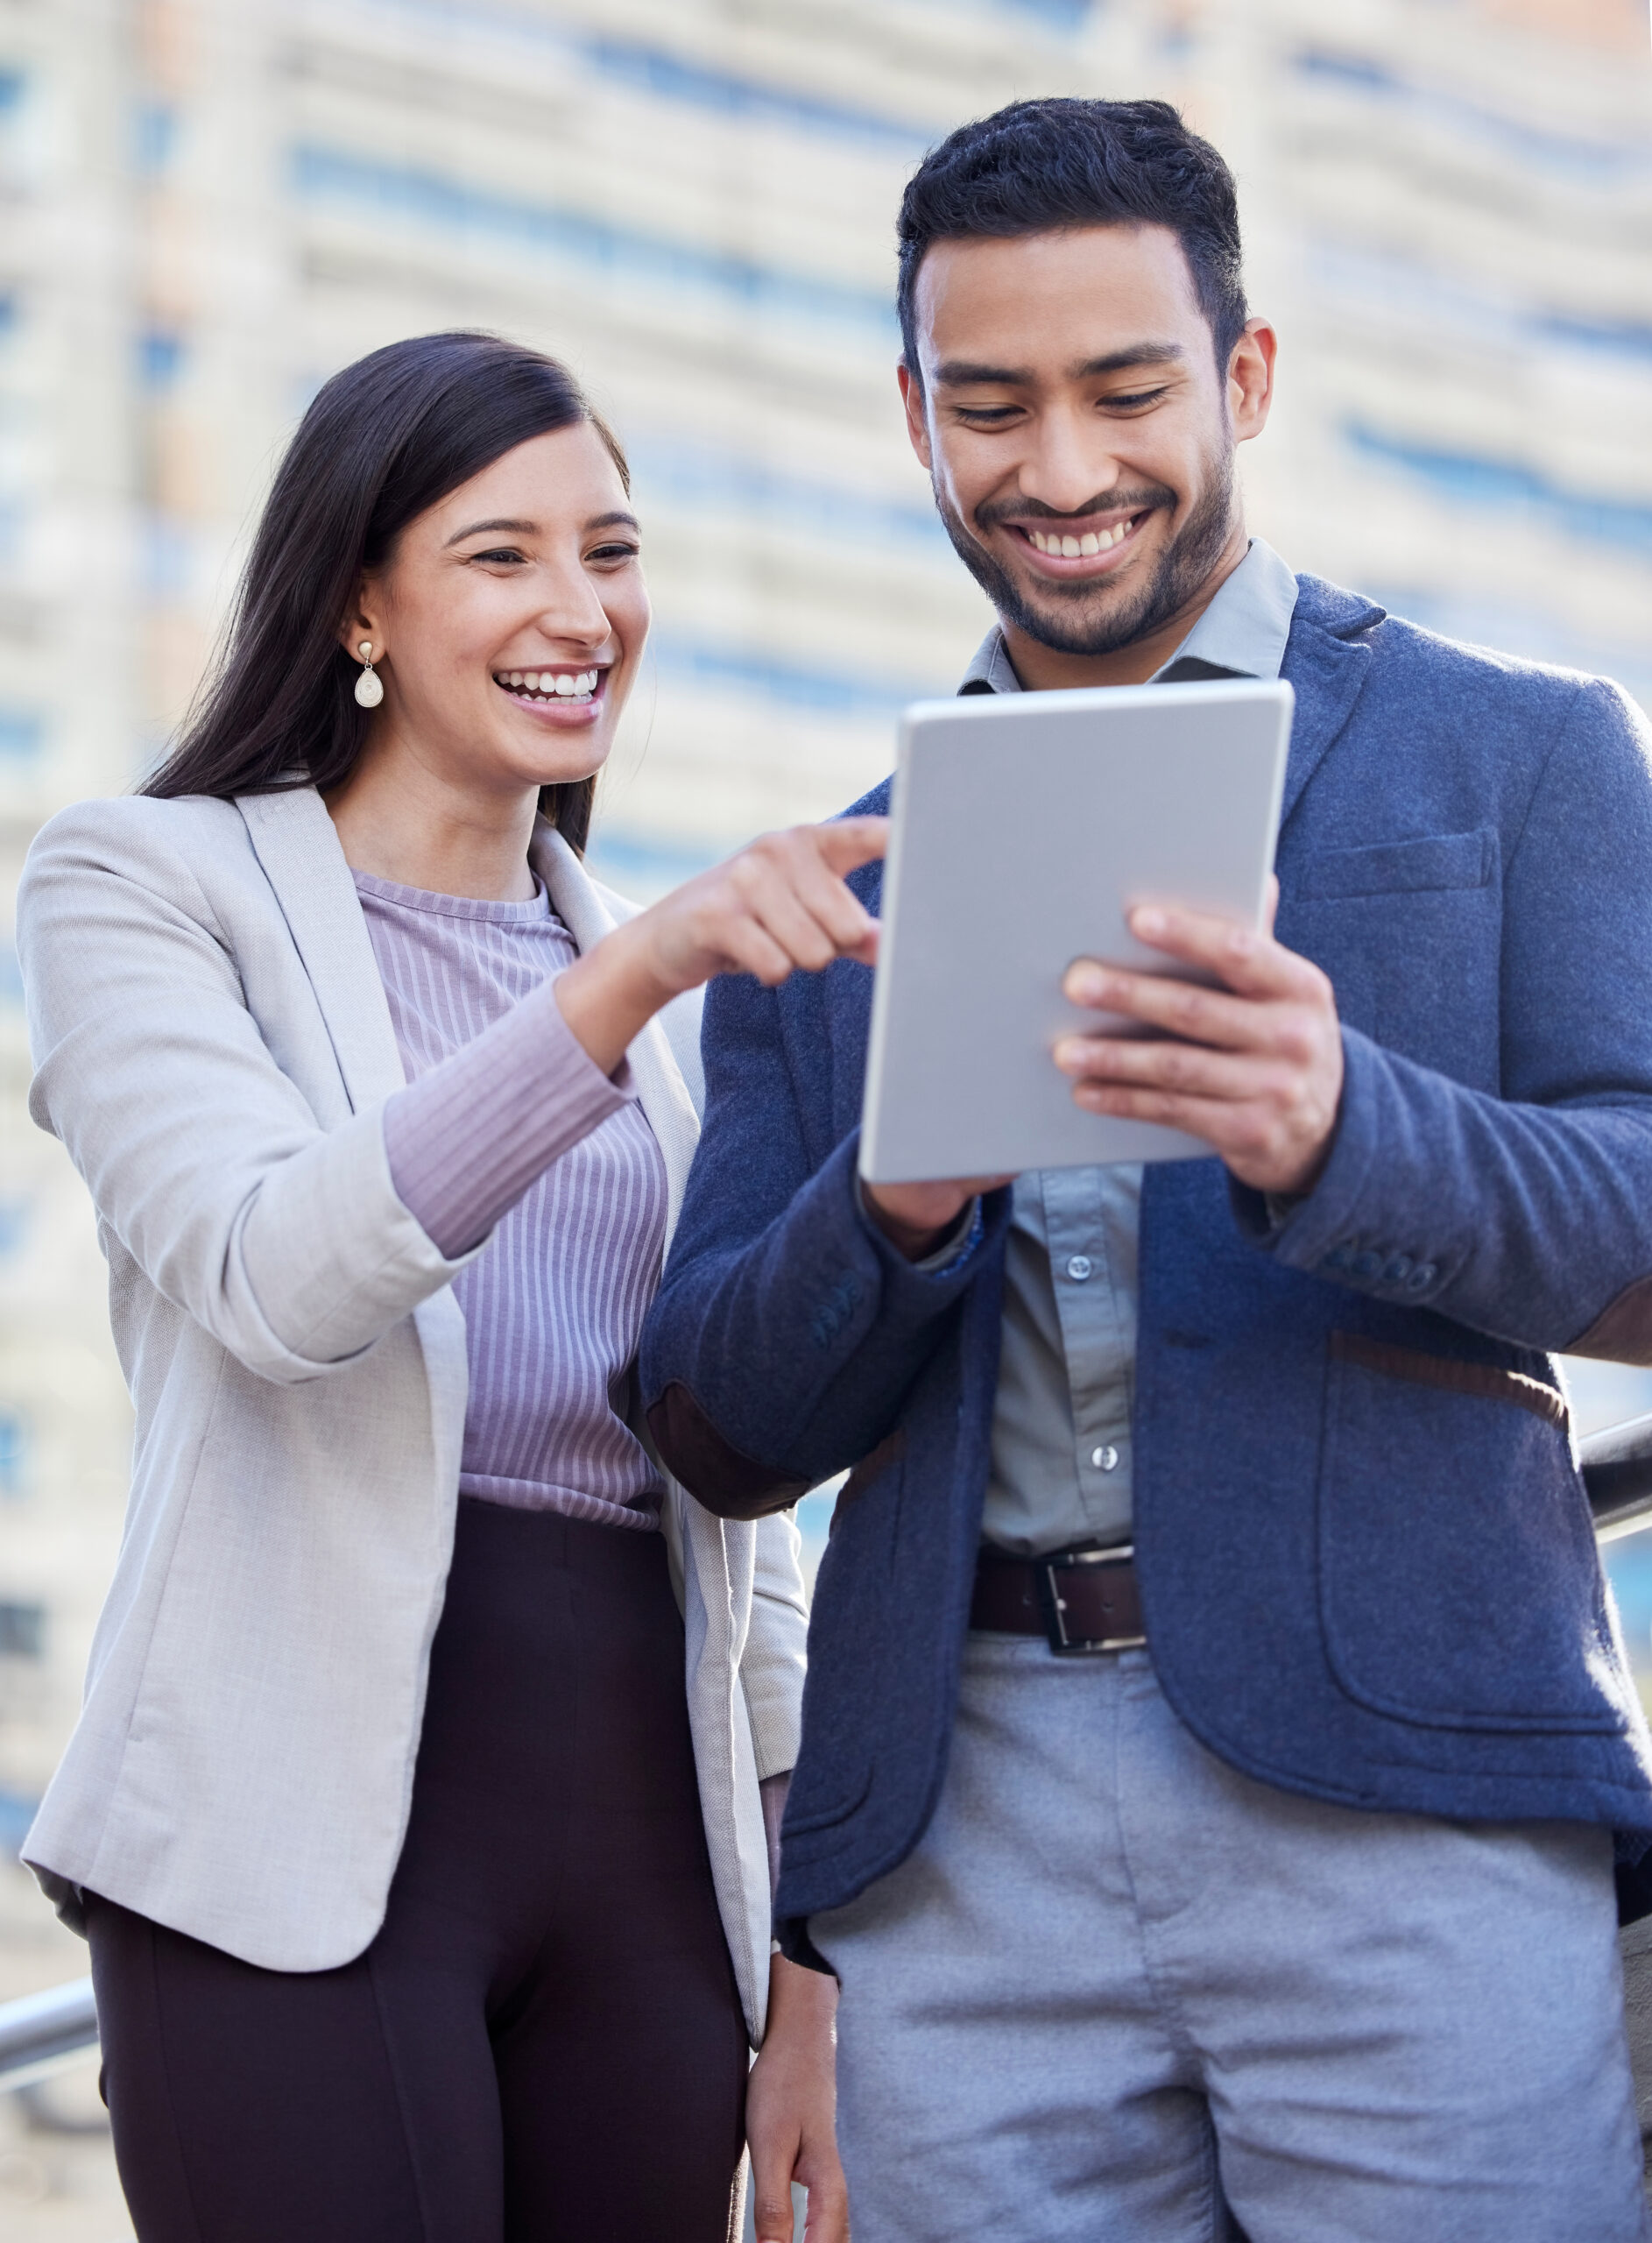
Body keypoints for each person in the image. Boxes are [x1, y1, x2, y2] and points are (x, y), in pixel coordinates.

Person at [640, 98, 1652, 2242]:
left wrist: (1339, 1125)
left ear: (1247, 377)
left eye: (1126, 389)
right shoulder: (834, 895)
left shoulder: (1523, 750)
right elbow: (715, 1421)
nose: (1062, 470)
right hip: (958, 1853)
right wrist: (887, 1203)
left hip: (1406, 1801)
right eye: (990, 405)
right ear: (913, 412)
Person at [17, 330, 877, 2242]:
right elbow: (271, 1271)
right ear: (358, 606)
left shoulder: (654, 1037)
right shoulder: (147, 888)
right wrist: (624, 982)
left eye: (612, 548)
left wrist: (811, 1964)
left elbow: (745, 1540)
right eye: (502, 556)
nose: (580, 608)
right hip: (288, 1841)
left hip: (650, 1861)